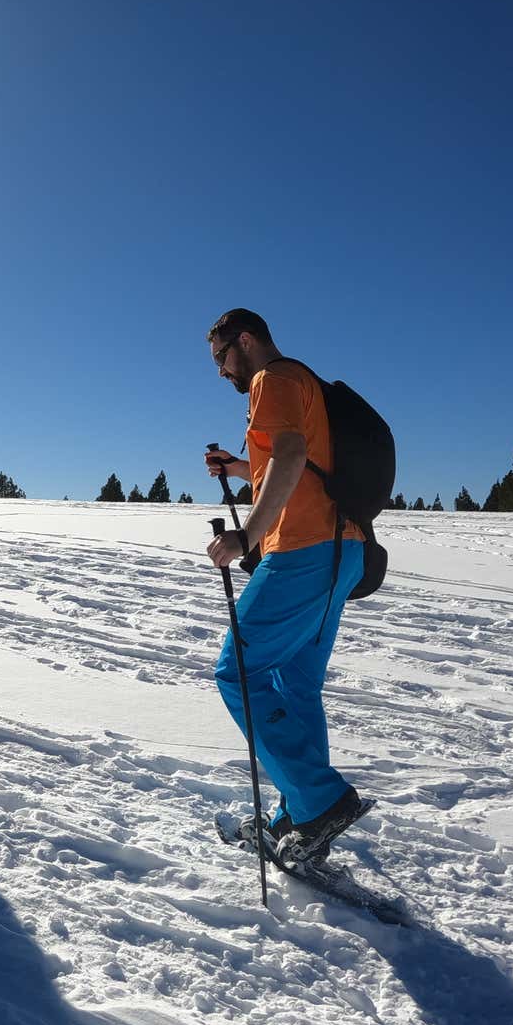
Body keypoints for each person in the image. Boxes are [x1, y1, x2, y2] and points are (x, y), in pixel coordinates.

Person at [204, 308, 368, 868]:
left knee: (237, 671)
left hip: (301, 551)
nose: (222, 372)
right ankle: (298, 817)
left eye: (222, 358)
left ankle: (319, 802)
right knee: (295, 684)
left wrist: (247, 536)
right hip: (341, 550)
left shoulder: (269, 379)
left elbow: (293, 457)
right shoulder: (302, 379)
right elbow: (295, 456)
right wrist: (239, 464)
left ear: (245, 341)